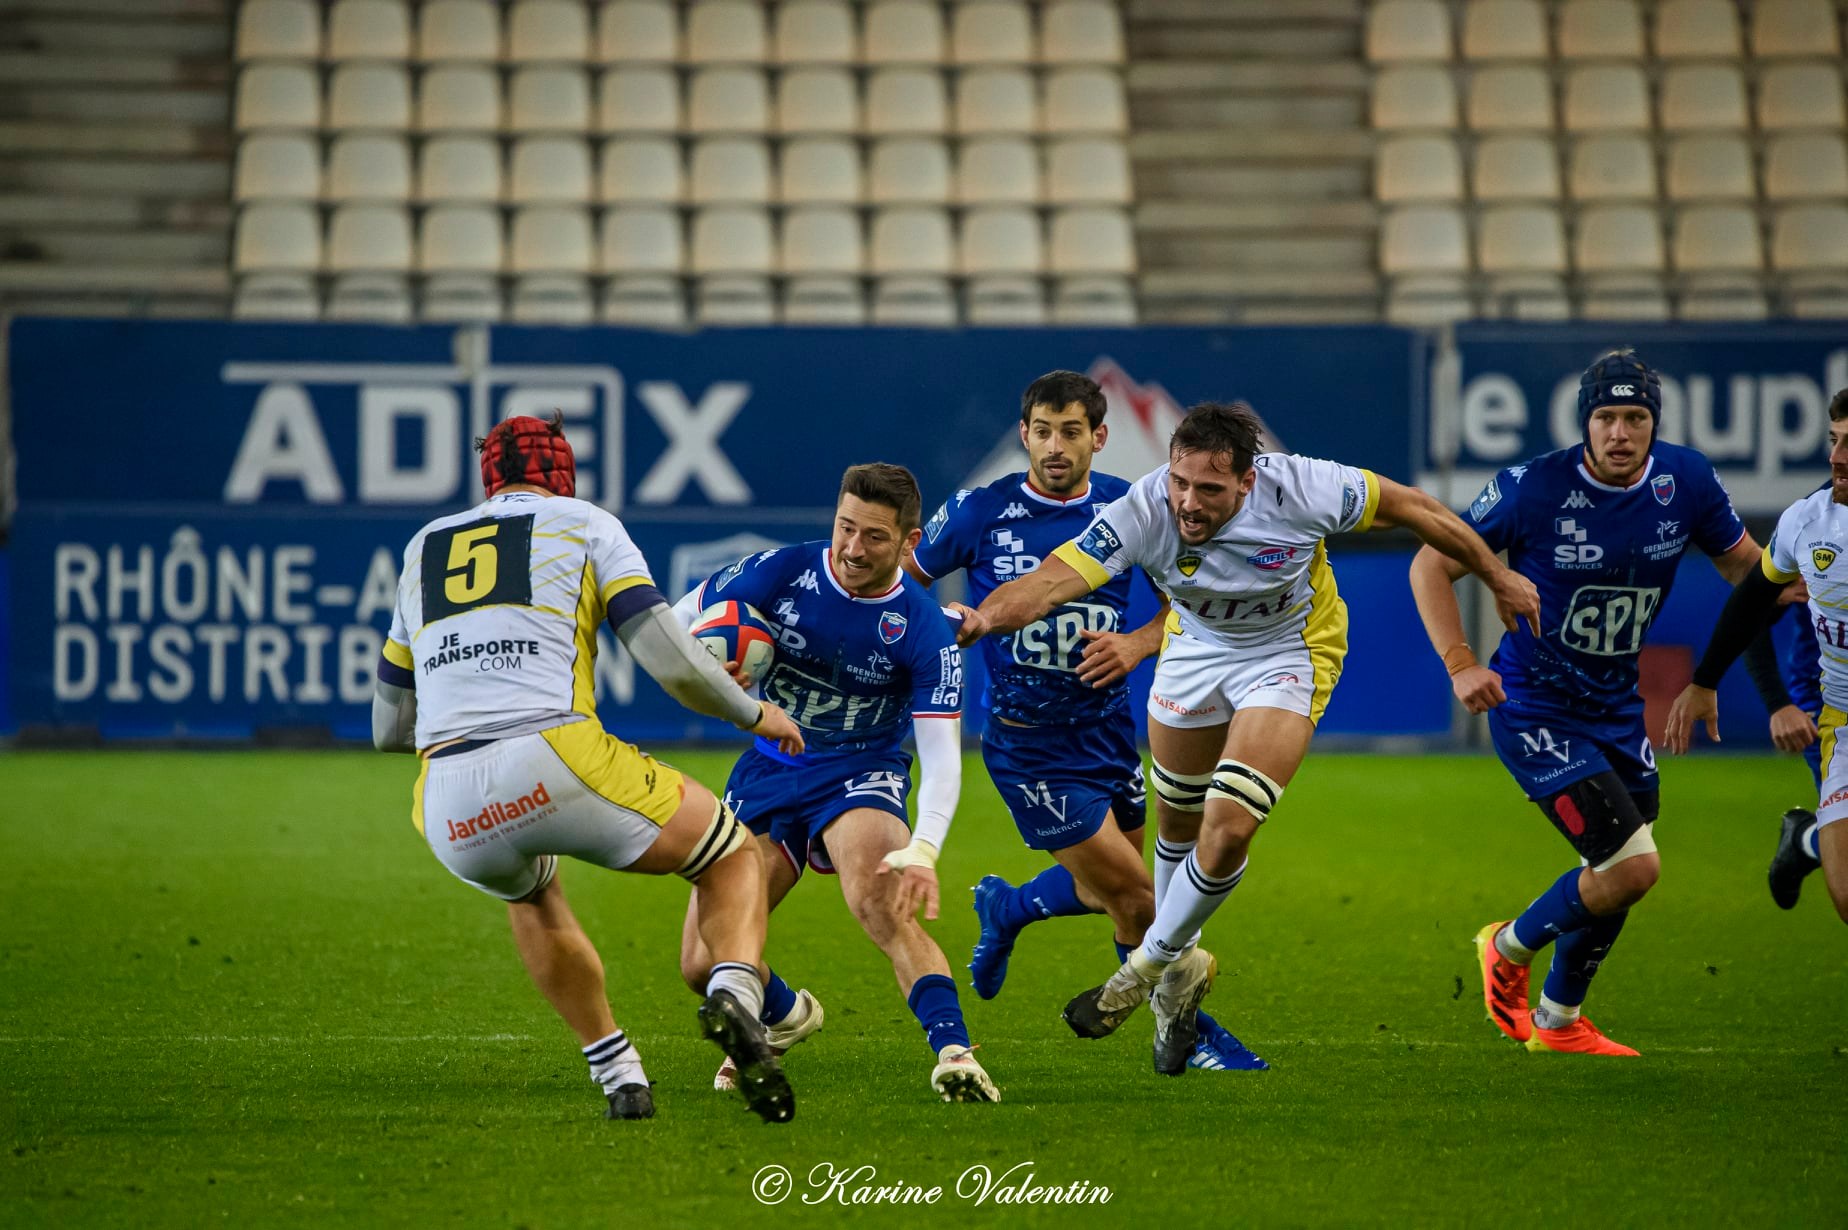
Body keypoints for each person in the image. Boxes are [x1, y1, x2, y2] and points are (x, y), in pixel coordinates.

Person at [957, 400, 1540, 1074]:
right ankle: (1177, 994)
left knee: (1229, 825)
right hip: (1194, 652)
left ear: (1247, 481)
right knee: (1174, 836)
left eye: (1209, 489)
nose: (1188, 502)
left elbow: (1419, 509)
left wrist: (1496, 575)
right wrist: (982, 618)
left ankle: (1144, 969)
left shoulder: (1305, 486)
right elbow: (1049, 582)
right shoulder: (1145, 509)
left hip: (1288, 652)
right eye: (1180, 482)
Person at [372, 414, 806, 1123]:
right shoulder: (583, 522)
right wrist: (754, 714)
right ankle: (735, 996)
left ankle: (620, 1076)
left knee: (533, 896)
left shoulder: (423, 548)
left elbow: (387, 727)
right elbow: (668, 660)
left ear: (488, 478)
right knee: (730, 855)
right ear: (563, 474)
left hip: (446, 800)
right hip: (553, 755)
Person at [906, 370, 1264, 1072]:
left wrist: (1135, 644)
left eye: (1072, 431)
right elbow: (899, 583)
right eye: (1043, 431)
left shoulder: (1129, 509)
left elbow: (1189, 604)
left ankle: (1008, 909)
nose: (1055, 446)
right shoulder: (981, 510)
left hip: (1108, 733)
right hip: (1028, 746)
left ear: (1099, 437)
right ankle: (1189, 1037)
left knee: (1130, 888)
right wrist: (934, 633)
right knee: (1137, 901)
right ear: (1024, 435)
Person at [1411, 350, 1763, 1058]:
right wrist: (1460, 664)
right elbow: (1430, 562)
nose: (1621, 432)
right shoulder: (1532, 488)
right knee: (1633, 866)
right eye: (1606, 417)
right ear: (1586, 423)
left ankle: (1559, 1019)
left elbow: (1751, 574)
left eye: (1636, 417)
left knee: (1619, 873)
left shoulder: (1686, 480)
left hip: (1614, 710)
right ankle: (1506, 947)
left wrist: (1805, 588)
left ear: (1654, 423)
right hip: (1535, 706)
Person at [674, 463, 1001, 1103]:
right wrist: (713, 671)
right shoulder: (781, 569)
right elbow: (679, 623)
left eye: (874, 537)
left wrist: (924, 847)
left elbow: (941, 757)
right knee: (703, 961)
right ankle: (786, 1014)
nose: (852, 549)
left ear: (909, 543)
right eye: (844, 527)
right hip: (770, 770)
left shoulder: (924, 628)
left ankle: (956, 1053)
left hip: (860, 773)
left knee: (879, 899)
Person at [1664, 387, 1848, 925]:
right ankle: (1814, 839)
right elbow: (1750, 605)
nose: (1837, 457)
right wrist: (1712, 683)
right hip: (1838, 715)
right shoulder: (1809, 525)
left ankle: (1810, 840)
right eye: (1834, 442)